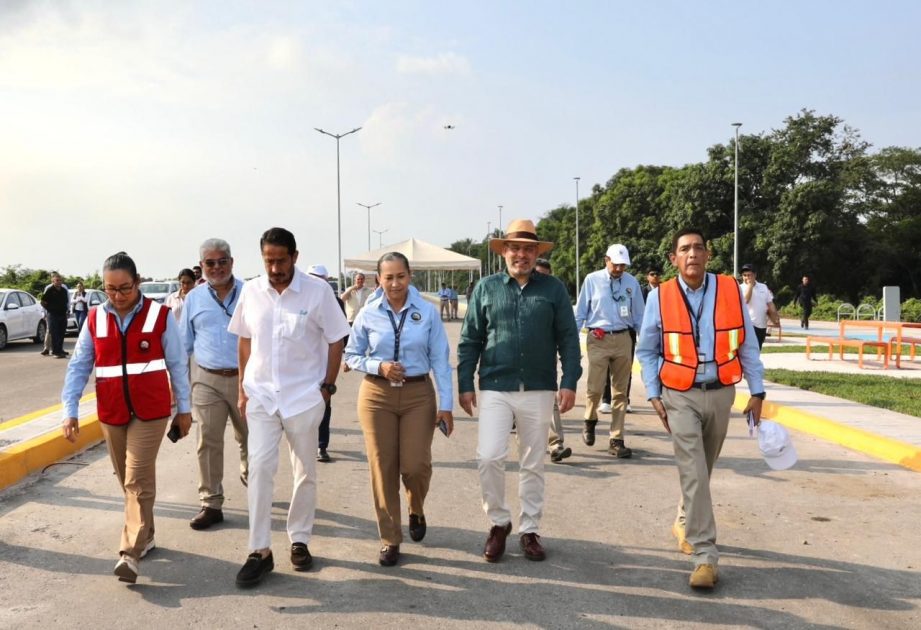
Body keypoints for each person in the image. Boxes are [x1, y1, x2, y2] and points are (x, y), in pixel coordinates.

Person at [636, 228, 766, 590]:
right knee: (693, 471)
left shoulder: (729, 290)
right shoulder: (659, 296)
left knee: (702, 469)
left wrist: (757, 391)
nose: (692, 253)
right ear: (673, 259)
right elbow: (646, 350)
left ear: (708, 255)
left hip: (721, 392)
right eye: (684, 249)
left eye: (698, 247)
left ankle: (683, 519)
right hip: (679, 395)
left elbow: (747, 344)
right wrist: (653, 393)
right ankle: (705, 555)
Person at [228, 227, 350, 587]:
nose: (275, 268)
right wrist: (241, 388)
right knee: (261, 469)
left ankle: (299, 539)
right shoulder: (252, 291)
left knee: (304, 471)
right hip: (262, 396)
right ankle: (259, 551)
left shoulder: (317, 292)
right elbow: (245, 342)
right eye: (269, 261)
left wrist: (326, 387)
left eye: (281, 260)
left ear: (295, 257)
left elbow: (335, 339)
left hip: (303, 398)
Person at [61, 252, 192, 584]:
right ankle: (146, 534)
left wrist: (185, 410)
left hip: (151, 412)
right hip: (112, 411)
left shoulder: (160, 316)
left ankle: (129, 553)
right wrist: (70, 409)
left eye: (125, 288)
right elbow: (78, 366)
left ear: (138, 282)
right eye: (110, 289)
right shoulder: (94, 319)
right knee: (129, 481)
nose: (118, 296)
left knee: (136, 478)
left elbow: (178, 365)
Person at [458, 219, 582, 563]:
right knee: (489, 456)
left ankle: (529, 529)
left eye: (529, 249)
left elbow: (569, 340)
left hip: (540, 388)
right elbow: (470, 339)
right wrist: (465, 383)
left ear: (536, 253)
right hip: (496, 385)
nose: (522, 255)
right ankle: (499, 522)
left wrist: (570, 380)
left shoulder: (553, 289)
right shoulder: (486, 288)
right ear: (505, 252)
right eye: (515, 248)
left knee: (533, 462)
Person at [345, 252, 453, 567]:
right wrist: (379, 366)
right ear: (379, 279)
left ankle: (415, 507)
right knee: (383, 468)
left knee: (415, 466)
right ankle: (390, 538)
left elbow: (440, 361)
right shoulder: (368, 312)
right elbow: (352, 355)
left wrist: (445, 405)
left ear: (410, 276)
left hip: (418, 393)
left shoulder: (427, 313)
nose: (395, 283)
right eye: (388, 277)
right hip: (376, 395)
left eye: (400, 276)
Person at [179, 240, 248, 530]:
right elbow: (184, 344)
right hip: (206, 379)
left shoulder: (251, 293)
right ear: (202, 267)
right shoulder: (193, 298)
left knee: (252, 439)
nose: (217, 267)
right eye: (210, 263)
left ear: (232, 262)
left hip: (247, 379)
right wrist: (179, 390)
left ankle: (253, 481)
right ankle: (211, 502)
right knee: (207, 440)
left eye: (222, 261)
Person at [575, 244, 645, 458]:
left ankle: (616, 438)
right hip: (598, 337)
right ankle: (589, 420)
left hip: (624, 338)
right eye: (615, 264)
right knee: (595, 388)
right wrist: (570, 342)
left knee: (620, 392)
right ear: (606, 260)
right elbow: (580, 313)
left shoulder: (632, 283)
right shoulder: (592, 280)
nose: (619, 268)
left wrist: (645, 344)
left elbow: (640, 316)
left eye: (622, 265)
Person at [306, 264, 347, 463]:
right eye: (311, 277)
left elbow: (341, 335)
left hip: (324, 363)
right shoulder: (298, 299)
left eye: (319, 278)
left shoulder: (336, 302)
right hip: (302, 366)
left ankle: (322, 446)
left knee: (324, 405)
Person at [535, 258, 571, 463]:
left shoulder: (556, 296)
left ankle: (555, 444)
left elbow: (566, 331)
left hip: (545, 360)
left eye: (546, 276)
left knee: (550, 400)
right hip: (514, 367)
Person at [739, 263, 780, 349]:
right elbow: (745, 300)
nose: (746, 278)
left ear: (755, 275)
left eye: (749, 275)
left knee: (757, 350)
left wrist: (775, 318)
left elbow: (770, 304)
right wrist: (750, 285)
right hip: (748, 325)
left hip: (762, 326)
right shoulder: (740, 288)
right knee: (749, 352)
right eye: (744, 275)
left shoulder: (763, 287)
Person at [41, 272, 70, 358]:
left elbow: (66, 302)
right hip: (53, 315)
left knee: (61, 333)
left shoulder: (64, 290)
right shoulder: (50, 290)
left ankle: (60, 350)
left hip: (62, 314)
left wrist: (67, 311)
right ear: (53, 281)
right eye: (57, 280)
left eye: (60, 280)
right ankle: (55, 352)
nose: (59, 282)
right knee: (55, 333)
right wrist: (49, 309)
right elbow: (43, 302)